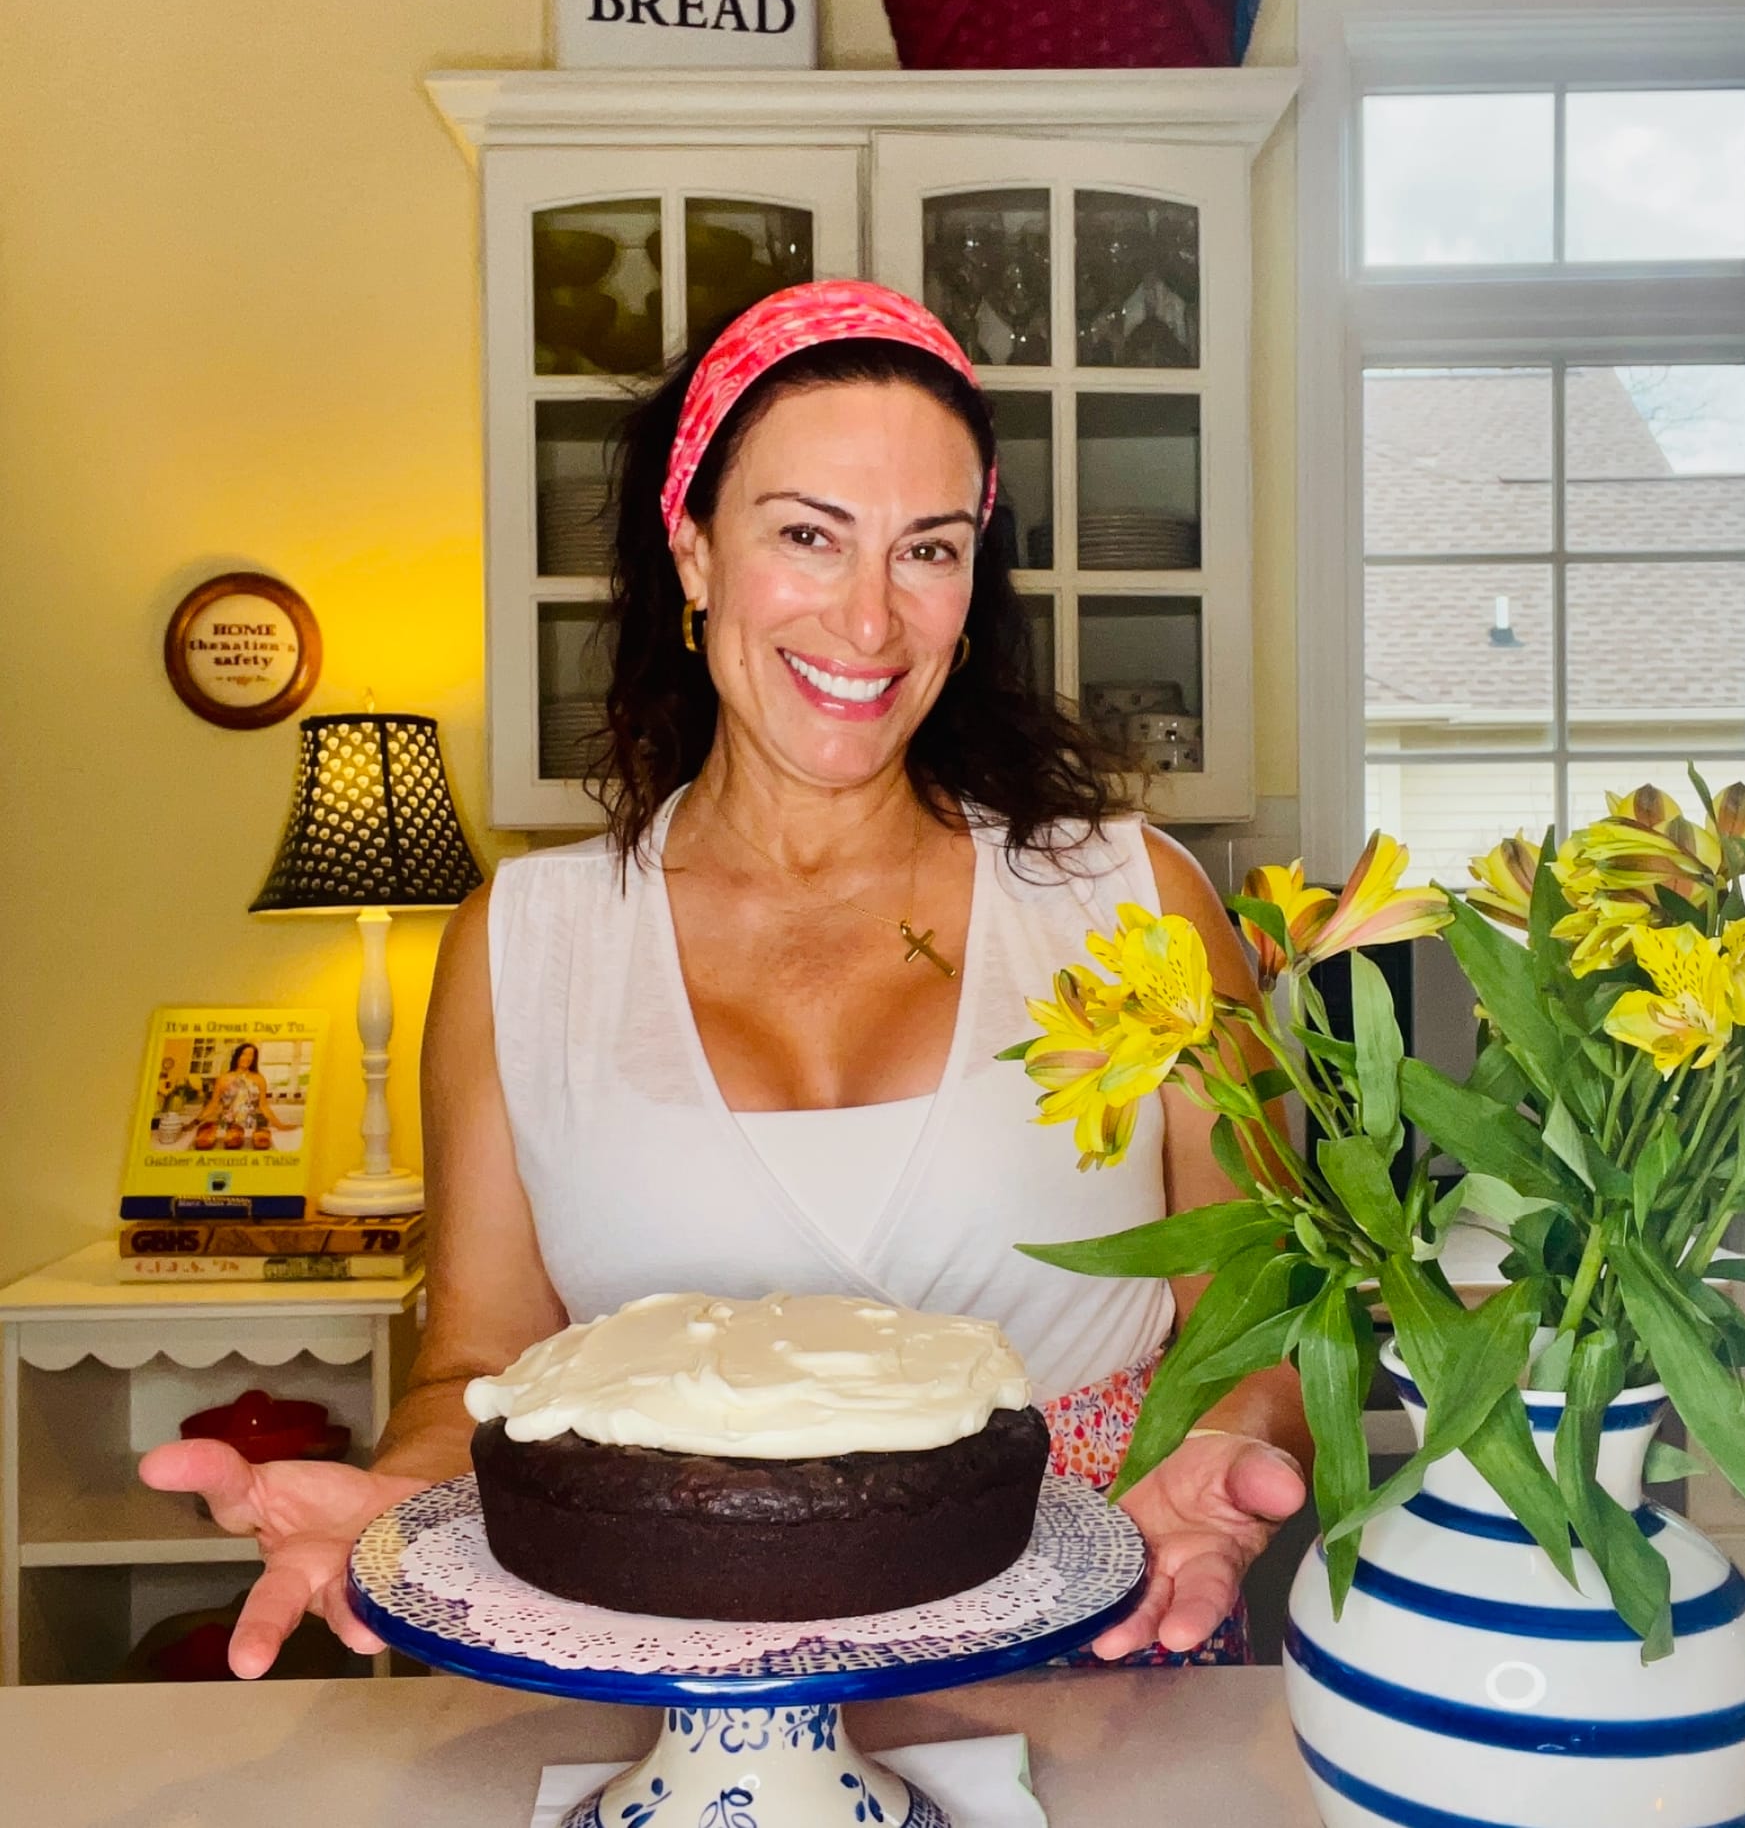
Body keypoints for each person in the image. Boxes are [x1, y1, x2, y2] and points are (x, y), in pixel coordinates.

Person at [141, 279, 1309, 1677]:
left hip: (1097, 1634)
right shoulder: (524, 942)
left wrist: (1232, 1443)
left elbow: (1259, 1315)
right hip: (666, 1683)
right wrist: (404, 1496)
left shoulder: (1130, 902)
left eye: (928, 548)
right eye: (808, 534)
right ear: (692, 550)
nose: (870, 619)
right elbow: (475, 1371)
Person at [191, 1042, 288, 1152]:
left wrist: (280, 1125)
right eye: (244, 1054)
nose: (247, 1058)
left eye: (251, 1055)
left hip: (250, 1128)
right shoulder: (223, 1078)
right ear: (237, 1056)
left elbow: (264, 1106)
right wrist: (196, 1121)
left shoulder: (259, 1079)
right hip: (226, 1128)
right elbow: (213, 1104)